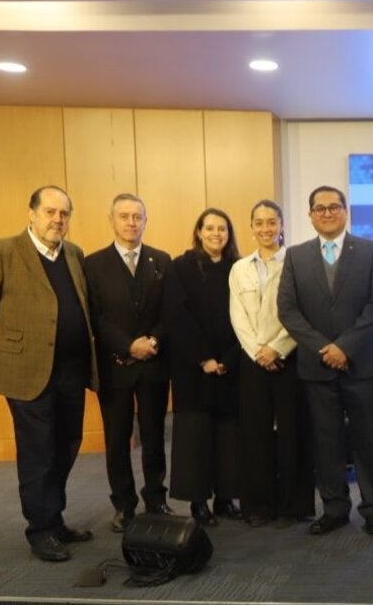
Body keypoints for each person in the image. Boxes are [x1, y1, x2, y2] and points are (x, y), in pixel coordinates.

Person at [0, 185, 98, 562]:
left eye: (64, 214)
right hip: (27, 374)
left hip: (71, 371)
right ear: (31, 213)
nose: (57, 220)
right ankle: (40, 530)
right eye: (50, 212)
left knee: (66, 444)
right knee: (38, 451)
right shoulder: (2, 252)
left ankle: (54, 519)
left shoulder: (74, 254)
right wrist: (11, 349)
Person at [277, 186, 373, 536]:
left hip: (361, 364)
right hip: (317, 366)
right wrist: (325, 348)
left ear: (345, 211)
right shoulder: (296, 256)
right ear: (310, 215)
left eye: (333, 207)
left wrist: (345, 348)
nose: (327, 213)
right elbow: (288, 311)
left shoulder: (370, 251)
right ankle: (335, 508)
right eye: (320, 208)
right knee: (326, 442)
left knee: (367, 440)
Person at [83, 193, 174, 533]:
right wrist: (128, 345)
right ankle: (124, 505)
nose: (131, 222)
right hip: (115, 366)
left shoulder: (161, 261)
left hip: (153, 364)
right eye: (124, 216)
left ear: (146, 221)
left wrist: (153, 341)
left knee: (154, 436)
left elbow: (169, 311)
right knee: (117, 439)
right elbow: (95, 316)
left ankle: (156, 499)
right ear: (112, 220)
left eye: (137, 216)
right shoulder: (93, 265)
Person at [231, 200, 314, 528]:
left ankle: (292, 506)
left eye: (272, 222)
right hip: (253, 360)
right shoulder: (239, 268)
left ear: (282, 226)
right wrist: (258, 351)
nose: (265, 229)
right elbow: (238, 316)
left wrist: (277, 348)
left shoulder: (297, 264)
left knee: (292, 432)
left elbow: (301, 314)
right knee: (255, 434)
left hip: (289, 358)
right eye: (259, 223)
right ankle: (259, 505)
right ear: (251, 227)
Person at [164, 208, 243, 527]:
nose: (216, 234)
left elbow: (246, 316)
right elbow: (176, 316)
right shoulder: (180, 267)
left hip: (230, 365)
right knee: (195, 437)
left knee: (229, 436)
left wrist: (228, 359)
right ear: (198, 232)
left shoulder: (239, 268)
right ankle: (198, 503)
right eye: (209, 228)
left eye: (222, 229)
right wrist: (204, 359)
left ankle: (226, 497)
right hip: (192, 367)